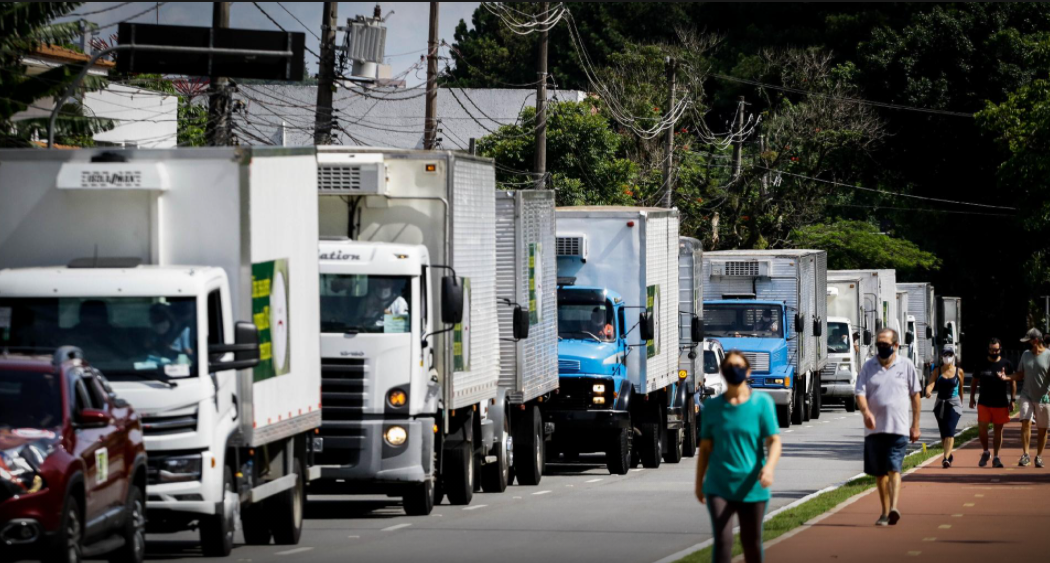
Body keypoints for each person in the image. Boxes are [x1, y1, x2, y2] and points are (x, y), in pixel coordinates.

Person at [695, 351, 782, 563]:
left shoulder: (762, 403)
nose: (734, 371)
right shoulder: (713, 408)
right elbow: (705, 448)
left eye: (739, 366)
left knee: (751, 541)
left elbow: (774, 440)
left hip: (752, 487)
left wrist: (769, 468)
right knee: (723, 541)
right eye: (729, 367)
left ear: (748, 371)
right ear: (723, 373)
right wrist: (699, 483)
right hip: (719, 486)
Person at [856, 328, 922, 526]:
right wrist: (866, 413)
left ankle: (894, 507)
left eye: (885, 344)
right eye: (879, 344)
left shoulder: (906, 366)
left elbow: (915, 396)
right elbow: (859, 393)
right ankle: (884, 512)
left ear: (895, 345)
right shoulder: (869, 367)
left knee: (894, 468)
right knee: (880, 474)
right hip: (874, 431)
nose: (881, 348)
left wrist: (915, 425)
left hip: (898, 428)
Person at [998, 328, 1050, 468]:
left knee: (1042, 428)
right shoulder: (1026, 355)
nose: (1027, 344)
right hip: (1026, 395)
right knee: (1025, 422)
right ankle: (1026, 454)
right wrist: (1006, 377)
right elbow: (1020, 374)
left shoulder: (1048, 355)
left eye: (1029, 341)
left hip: (1043, 397)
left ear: (1036, 341)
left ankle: (1039, 456)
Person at [969, 338, 1015, 468]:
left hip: (1000, 402)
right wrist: (972, 397)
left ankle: (996, 457)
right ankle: (985, 451)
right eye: (991, 350)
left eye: (996, 350)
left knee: (998, 431)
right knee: (982, 428)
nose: (993, 352)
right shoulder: (981, 363)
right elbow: (974, 381)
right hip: (984, 402)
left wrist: (1013, 399)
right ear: (988, 349)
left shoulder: (1006, 364)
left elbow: (1013, 382)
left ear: (1000, 349)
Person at [925, 344, 965, 468]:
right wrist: (928, 391)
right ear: (941, 357)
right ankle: (948, 453)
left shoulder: (959, 371)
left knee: (949, 431)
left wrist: (961, 403)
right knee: (943, 433)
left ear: (953, 356)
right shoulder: (937, 370)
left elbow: (961, 389)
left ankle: (946, 458)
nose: (947, 357)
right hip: (940, 405)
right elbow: (930, 384)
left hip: (954, 404)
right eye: (945, 355)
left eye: (950, 355)